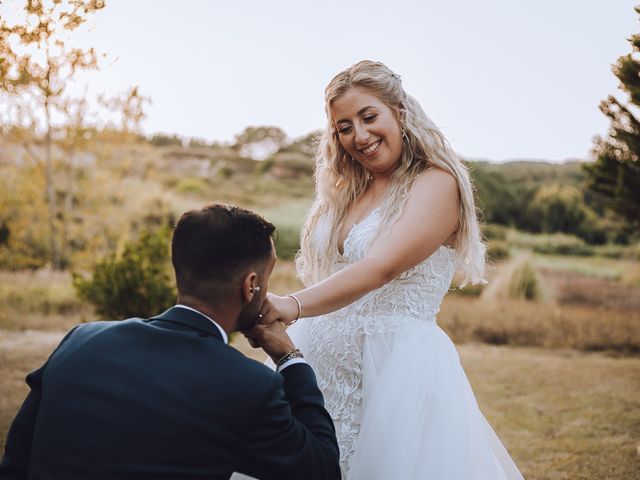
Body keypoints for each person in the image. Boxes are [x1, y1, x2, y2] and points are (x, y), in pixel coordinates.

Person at [258, 61, 524, 479]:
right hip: (324, 369)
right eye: (344, 127)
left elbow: (379, 267)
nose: (358, 136)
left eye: (368, 117)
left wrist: (291, 305)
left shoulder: (436, 183)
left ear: (399, 112)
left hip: (395, 371)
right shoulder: (349, 189)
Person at [0, 204, 340, 480]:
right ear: (251, 286)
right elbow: (321, 470)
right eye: (265, 281)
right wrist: (290, 358)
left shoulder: (81, 340)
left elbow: (16, 462)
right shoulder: (248, 387)